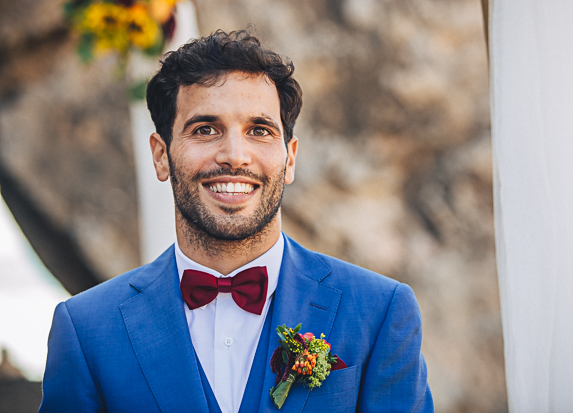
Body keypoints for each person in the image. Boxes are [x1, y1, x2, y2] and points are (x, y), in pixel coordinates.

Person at [39, 29, 433, 413]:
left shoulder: (380, 311)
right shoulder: (87, 329)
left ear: (289, 157)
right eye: (205, 129)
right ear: (161, 155)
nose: (234, 156)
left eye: (259, 130)